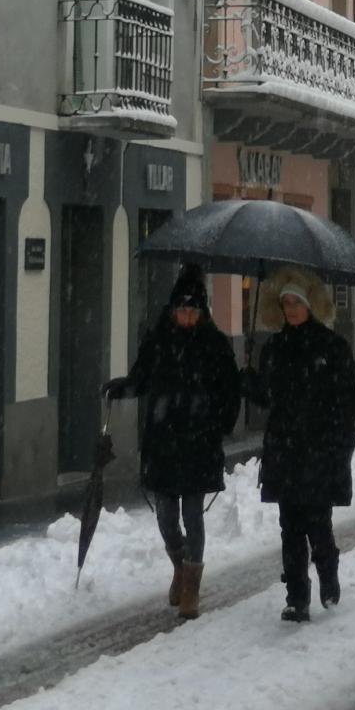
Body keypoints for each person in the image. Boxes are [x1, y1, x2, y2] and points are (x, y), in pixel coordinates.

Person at [104, 264, 241, 620]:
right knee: (166, 516)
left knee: (193, 514)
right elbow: (142, 376)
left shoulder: (214, 345)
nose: (187, 315)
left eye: (193, 310)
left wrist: (222, 421)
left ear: (202, 311)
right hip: (164, 441)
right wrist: (123, 387)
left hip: (199, 441)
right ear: (172, 309)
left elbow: (230, 388)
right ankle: (180, 564)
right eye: (182, 309)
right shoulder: (159, 339)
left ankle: (191, 586)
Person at [243, 268, 355, 623]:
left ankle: (328, 571)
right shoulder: (275, 347)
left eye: (297, 303)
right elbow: (268, 396)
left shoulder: (332, 347)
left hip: (320, 448)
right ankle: (297, 596)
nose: (291, 309)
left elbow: (347, 402)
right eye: (286, 303)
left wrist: (341, 447)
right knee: (289, 524)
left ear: (311, 305)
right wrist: (249, 382)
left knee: (317, 521)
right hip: (285, 448)